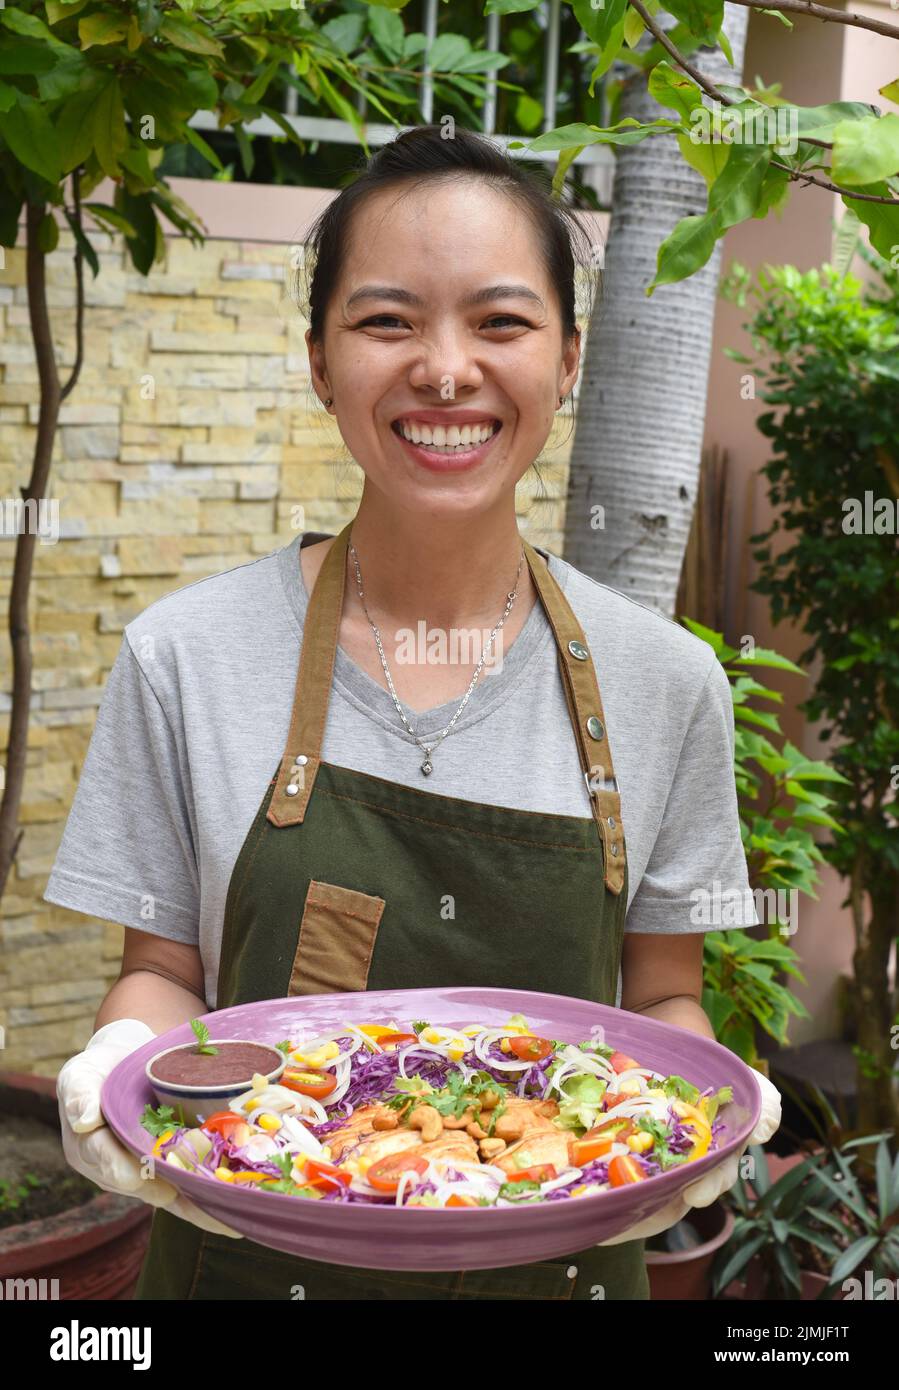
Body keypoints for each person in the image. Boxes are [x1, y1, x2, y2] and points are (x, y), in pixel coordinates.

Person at [50, 123, 780, 1301]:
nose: (445, 369)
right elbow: (162, 973)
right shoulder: (183, 656)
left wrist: (697, 1106)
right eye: (387, 321)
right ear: (318, 360)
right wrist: (125, 1059)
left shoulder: (664, 680)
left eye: (499, 321)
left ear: (569, 357)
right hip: (242, 1267)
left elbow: (658, 996)